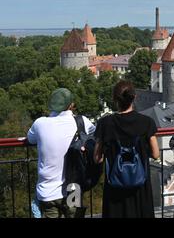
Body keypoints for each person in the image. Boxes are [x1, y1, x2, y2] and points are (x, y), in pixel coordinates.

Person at [94, 80, 160, 218]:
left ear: (114, 99)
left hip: (115, 187)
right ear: (134, 97)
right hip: (139, 185)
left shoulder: (105, 123)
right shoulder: (147, 122)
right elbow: (155, 154)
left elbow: (97, 158)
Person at [27, 88, 95, 218]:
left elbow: (30, 139)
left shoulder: (40, 123)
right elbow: (95, 136)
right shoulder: (81, 122)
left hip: (47, 191)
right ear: (71, 105)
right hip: (73, 188)